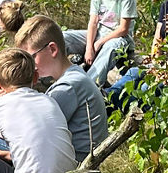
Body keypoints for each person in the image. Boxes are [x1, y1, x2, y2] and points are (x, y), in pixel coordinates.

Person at [16, 15, 109, 160]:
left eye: (31, 57)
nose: (29, 65)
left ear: (53, 49)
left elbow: (33, 132)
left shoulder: (68, 87)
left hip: (72, 164)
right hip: (74, 158)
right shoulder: (74, 76)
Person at [63, 0, 138, 88]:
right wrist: (89, 48)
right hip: (99, 32)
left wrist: (98, 43)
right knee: (64, 36)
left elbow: (123, 29)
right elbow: (93, 22)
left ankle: (88, 86)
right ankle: (56, 75)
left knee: (111, 47)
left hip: (119, 39)